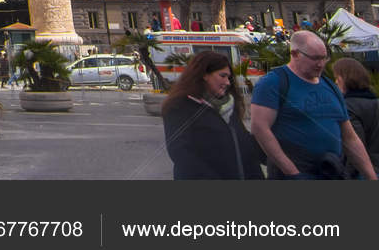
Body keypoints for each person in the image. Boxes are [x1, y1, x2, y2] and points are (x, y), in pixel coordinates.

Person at [250, 30, 377, 180]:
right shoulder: (273, 82)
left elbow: (350, 138)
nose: (321, 64)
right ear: (295, 54)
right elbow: (259, 128)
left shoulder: (330, 86)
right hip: (295, 174)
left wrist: (371, 176)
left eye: (324, 58)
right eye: (315, 58)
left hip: (331, 171)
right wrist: (291, 172)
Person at [161, 50, 263, 180]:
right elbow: (181, 154)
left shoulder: (229, 106)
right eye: (222, 76)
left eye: (228, 77)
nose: (227, 82)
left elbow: (243, 143)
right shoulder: (179, 106)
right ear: (204, 74)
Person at [331, 58, 379, 178]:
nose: (335, 82)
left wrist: (346, 176)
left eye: (337, 78)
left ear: (344, 79)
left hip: (364, 172)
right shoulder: (375, 102)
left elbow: (355, 147)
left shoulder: (348, 107)